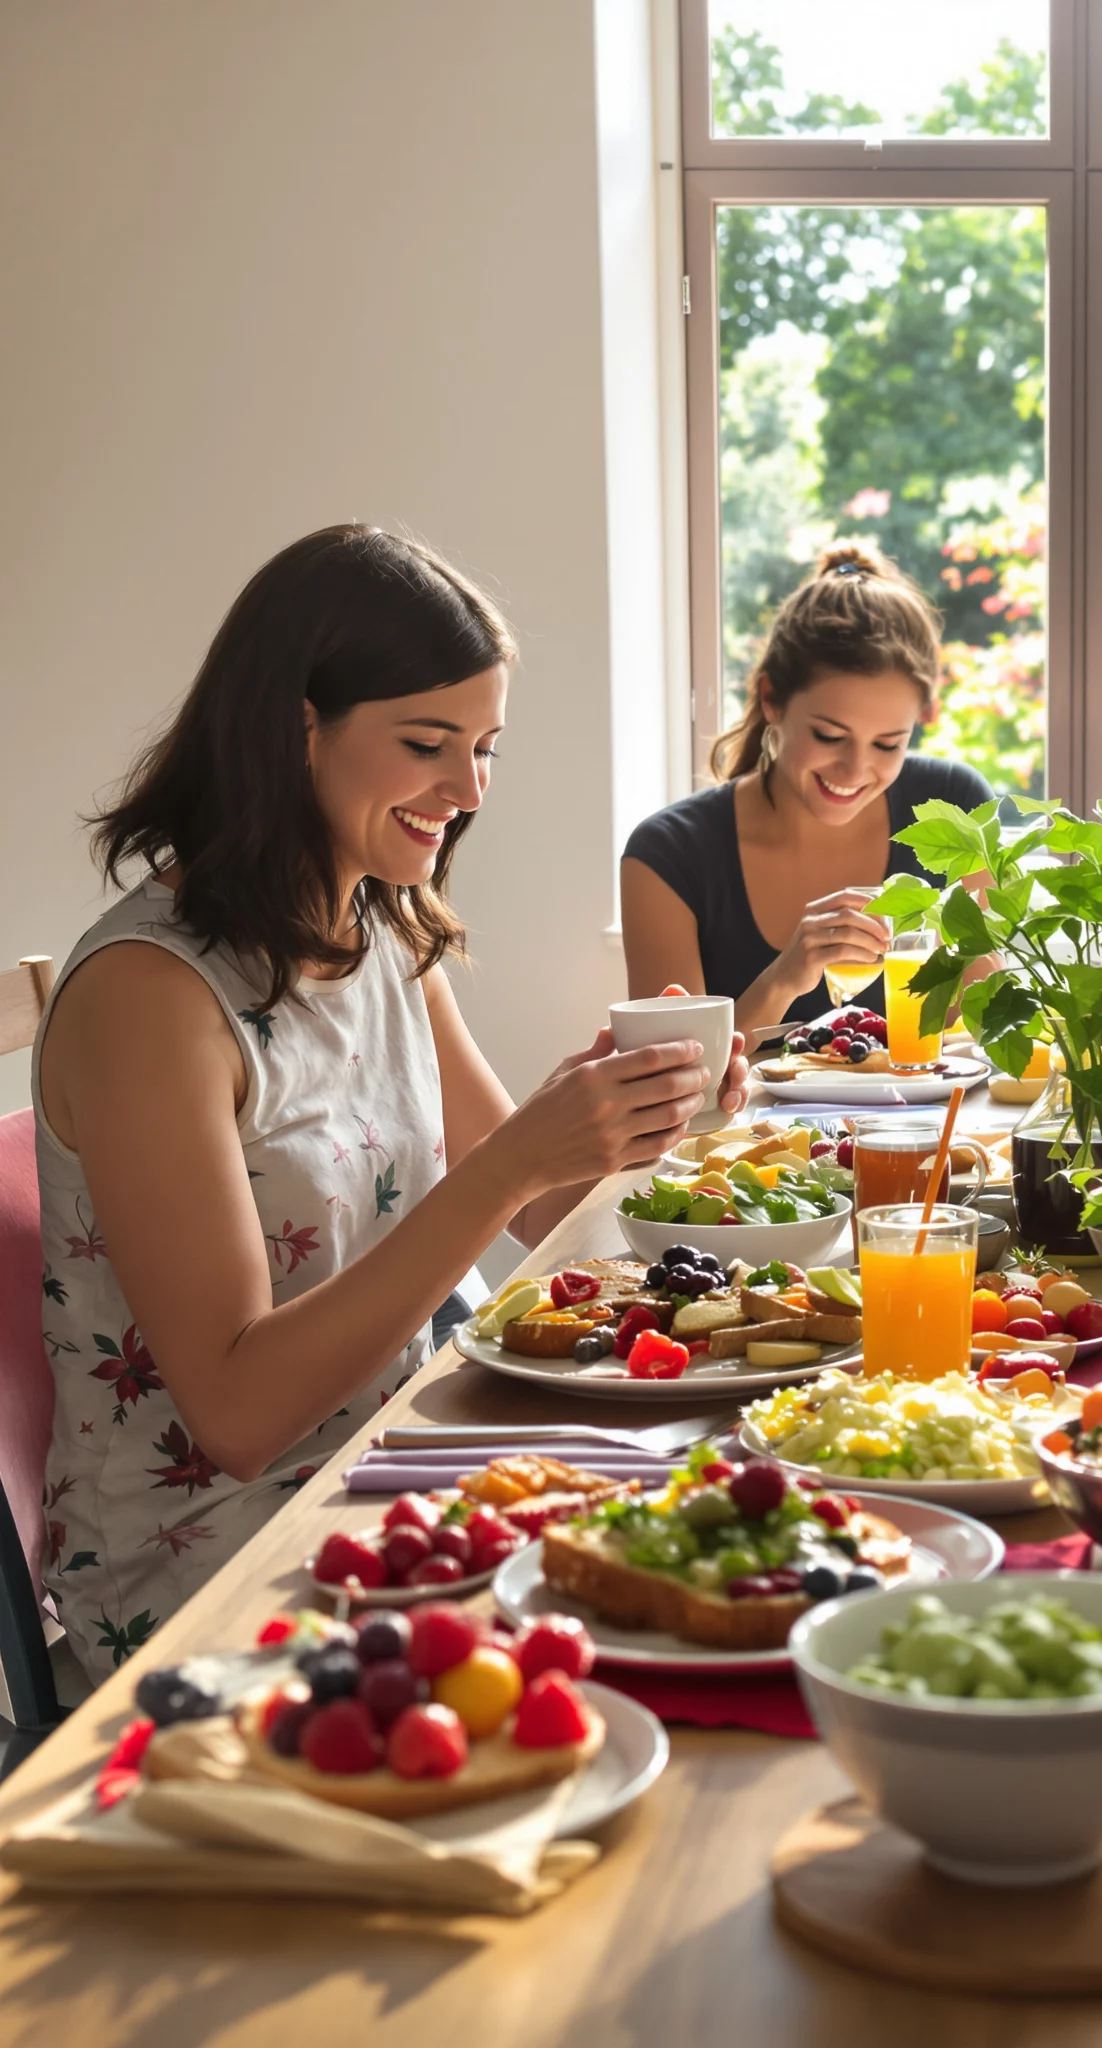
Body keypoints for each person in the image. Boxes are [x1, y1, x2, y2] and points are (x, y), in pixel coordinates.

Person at [32, 526, 745, 1685]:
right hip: (222, 1575)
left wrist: (650, 1114)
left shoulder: (380, 932)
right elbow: (238, 1413)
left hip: (392, 1472)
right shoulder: (148, 998)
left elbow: (544, 1203)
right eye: (427, 744)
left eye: (485, 749)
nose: (467, 792)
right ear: (292, 727)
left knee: (722, 1543)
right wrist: (512, 1162)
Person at [621, 543, 995, 1030]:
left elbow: (991, 1028)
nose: (854, 770)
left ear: (923, 719)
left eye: (887, 744)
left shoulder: (954, 808)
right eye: (829, 736)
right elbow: (671, 1082)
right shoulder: (669, 855)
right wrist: (782, 981)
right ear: (772, 700)